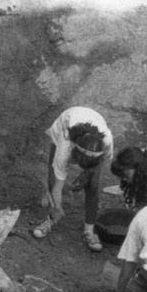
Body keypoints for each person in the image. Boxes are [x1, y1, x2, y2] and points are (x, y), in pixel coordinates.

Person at [32, 106, 114, 252]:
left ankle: (89, 231)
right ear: (74, 154)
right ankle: (51, 218)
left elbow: (100, 163)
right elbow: (57, 185)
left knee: (93, 185)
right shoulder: (65, 147)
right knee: (53, 176)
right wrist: (57, 205)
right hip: (64, 123)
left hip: (93, 122)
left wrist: (89, 173)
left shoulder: (106, 141)